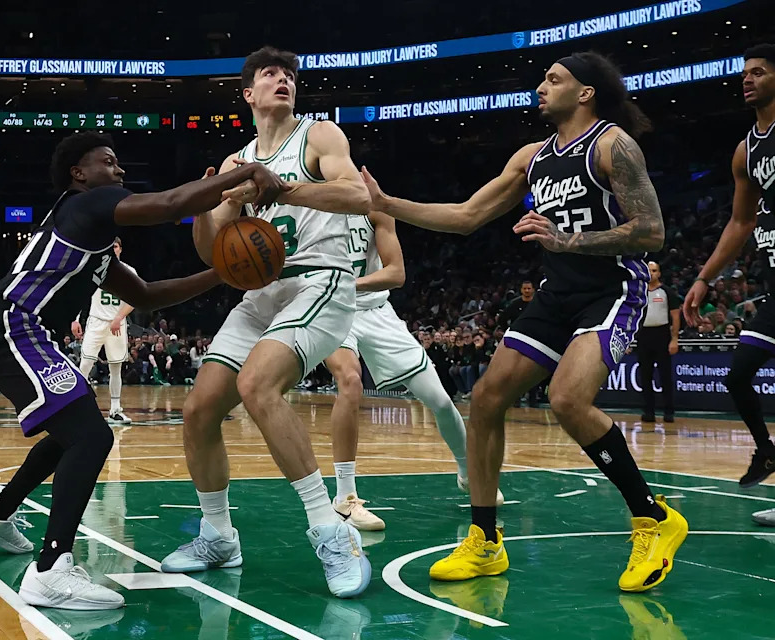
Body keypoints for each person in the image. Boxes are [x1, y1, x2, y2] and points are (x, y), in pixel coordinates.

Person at [363, 51, 687, 591]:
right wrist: (387, 203)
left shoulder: (612, 145)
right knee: (486, 399)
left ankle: (652, 519)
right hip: (559, 294)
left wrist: (566, 240)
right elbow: (467, 216)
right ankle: (486, 542)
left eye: (554, 79)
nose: (541, 86)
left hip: (613, 289)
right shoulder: (532, 157)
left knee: (567, 399)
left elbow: (651, 231)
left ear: (585, 93)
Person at [0, 131, 284, 610]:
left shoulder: (90, 238)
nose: (119, 172)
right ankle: (50, 570)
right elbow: (171, 203)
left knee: (73, 431)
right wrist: (243, 173)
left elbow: (148, 294)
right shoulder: (85, 205)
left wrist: (224, 273)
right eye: (109, 163)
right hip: (12, 326)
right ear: (79, 173)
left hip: (19, 331)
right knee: (92, 437)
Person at [161, 46, 373, 599]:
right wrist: (211, 207)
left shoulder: (319, 135)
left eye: (290, 75)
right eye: (270, 75)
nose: (283, 80)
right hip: (264, 293)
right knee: (199, 410)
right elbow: (213, 253)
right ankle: (218, 536)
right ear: (249, 95)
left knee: (257, 384)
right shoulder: (236, 162)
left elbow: (357, 195)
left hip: (321, 279)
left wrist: (279, 188)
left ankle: (331, 532)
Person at [323, 211, 504, 533]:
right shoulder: (307, 208)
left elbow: (395, 273)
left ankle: (468, 473)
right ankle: (345, 497)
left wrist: (348, 284)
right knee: (350, 381)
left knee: (441, 401)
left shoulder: (372, 206)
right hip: (330, 310)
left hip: (377, 311)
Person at [684, 44, 775, 498]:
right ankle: (766, 449)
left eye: (758, 72)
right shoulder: (746, 151)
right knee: (739, 375)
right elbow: (741, 222)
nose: (747, 79)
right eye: (745, 73)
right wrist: (704, 278)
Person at [72, 236, 135, 423]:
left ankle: (115, 410)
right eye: (110, 247)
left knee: (116, 369)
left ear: (120, 249)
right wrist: (75, 319)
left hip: (117, 324)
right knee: (85, 365)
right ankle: (75, 408)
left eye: (115, 246)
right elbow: (80, 295)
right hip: (96, 321)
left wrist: (119, 317)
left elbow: (134, 299)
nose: (113, 249)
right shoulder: (94, 268)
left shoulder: (129, 272)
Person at [637, 261, 680, 423]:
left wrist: (674, 339)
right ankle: (649, 411)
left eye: (654, 270)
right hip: (644, 335)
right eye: (648, 271)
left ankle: (669, 411)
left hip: (662, 334)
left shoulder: (667, 292)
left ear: (659, 273)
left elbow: (675, 317)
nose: (651, 273)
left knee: (665, 375)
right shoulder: (638, 293)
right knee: (645, 376)